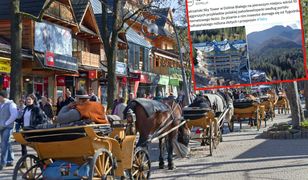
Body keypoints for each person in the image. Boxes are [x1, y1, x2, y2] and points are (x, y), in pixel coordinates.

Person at [0, 91, 18, 170]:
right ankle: (10, 160)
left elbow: (14, 115)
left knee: (4, 144)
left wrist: (6, 123)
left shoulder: (11, 104)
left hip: (8, 127)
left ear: (2, 96)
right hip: (1, 127)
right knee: (7, 143)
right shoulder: (1, 104)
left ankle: (2, 163)